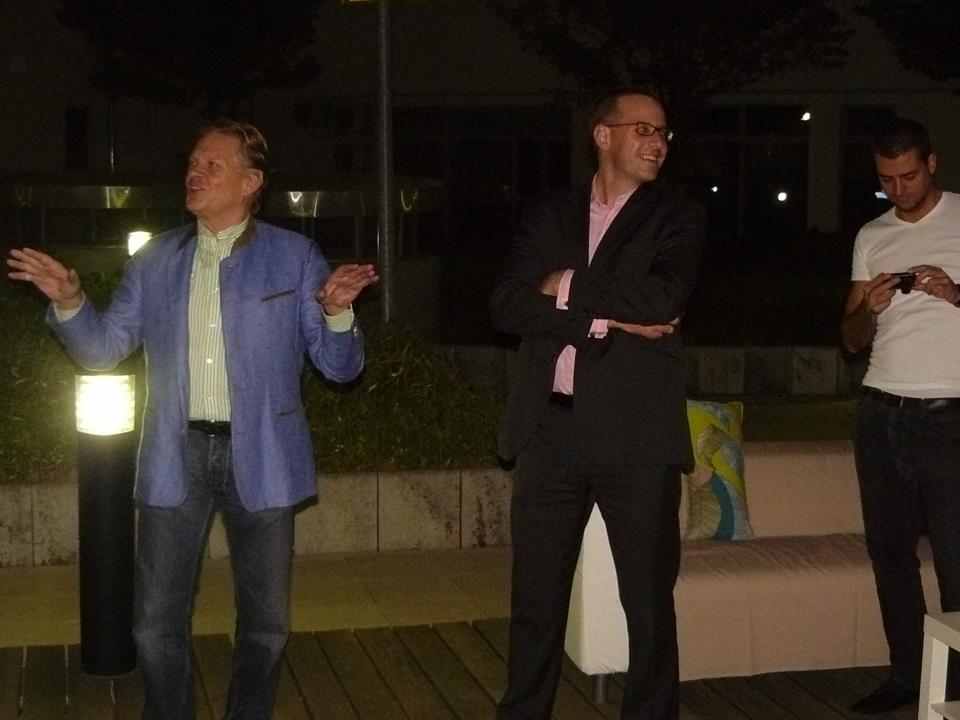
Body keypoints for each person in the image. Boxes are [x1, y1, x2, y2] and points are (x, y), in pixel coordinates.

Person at [7, 119, 378, 720]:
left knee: (266, 627)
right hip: (175, 453)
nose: (195, 172)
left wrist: (336, 312)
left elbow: (340, 368)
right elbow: (103, 349)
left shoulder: (294, 258)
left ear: (250, 183)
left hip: (264, 454)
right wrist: (70, 301)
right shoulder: (156, 259)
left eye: (212, 165)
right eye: (193, 162)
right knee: (154, 626)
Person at [489, 88, 704, 720]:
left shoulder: (677, 215)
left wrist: (563, 285)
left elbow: (661, 300)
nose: (657, 143)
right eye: (643, 129)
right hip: (549, 432)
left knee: (647, 601)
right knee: (535, 599)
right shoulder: (551, 213)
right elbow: (506, 305)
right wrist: (599, 320)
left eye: (663, 133)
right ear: (603, 135)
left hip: (637, 438)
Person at [841, 116, 960, 715]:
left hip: (950, 415)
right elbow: (849, 338)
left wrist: (955, 294)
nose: (898, 189)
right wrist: (870, 306)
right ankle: (907, 677)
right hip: (881, 411)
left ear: (931, 163)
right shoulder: (872, 235)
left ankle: (955, 686)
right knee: (889, 553)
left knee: (956, 557)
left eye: (908, 176)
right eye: (887, 179)